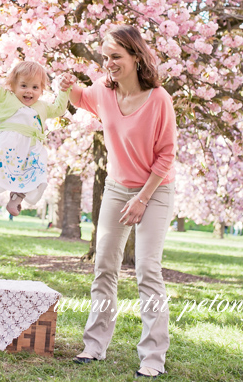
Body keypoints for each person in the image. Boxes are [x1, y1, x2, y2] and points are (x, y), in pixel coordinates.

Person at [63, 25, 177, 379]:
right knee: (104, 267)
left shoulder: (159, 99)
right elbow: (79, 98)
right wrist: (67, 84)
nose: (108, 63)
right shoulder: (103, 92)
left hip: (154, 191)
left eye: (116, 57)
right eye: (105, 56)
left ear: (136, 57)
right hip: (116, 189)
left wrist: (142, 199)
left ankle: (152, 357)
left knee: (147, 270)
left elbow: (166, 155)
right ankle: (94, 346)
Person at [0, 58, 71, 217]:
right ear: (12, 86)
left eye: (35, 87)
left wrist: (64, 90)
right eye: (23, 86)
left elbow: (59, 109)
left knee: (33, 173)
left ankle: (17, 197)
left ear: (42, 90)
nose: (29, 91)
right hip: (8, 143)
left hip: (31, 146)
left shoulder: (42, 106)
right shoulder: (7, 97)